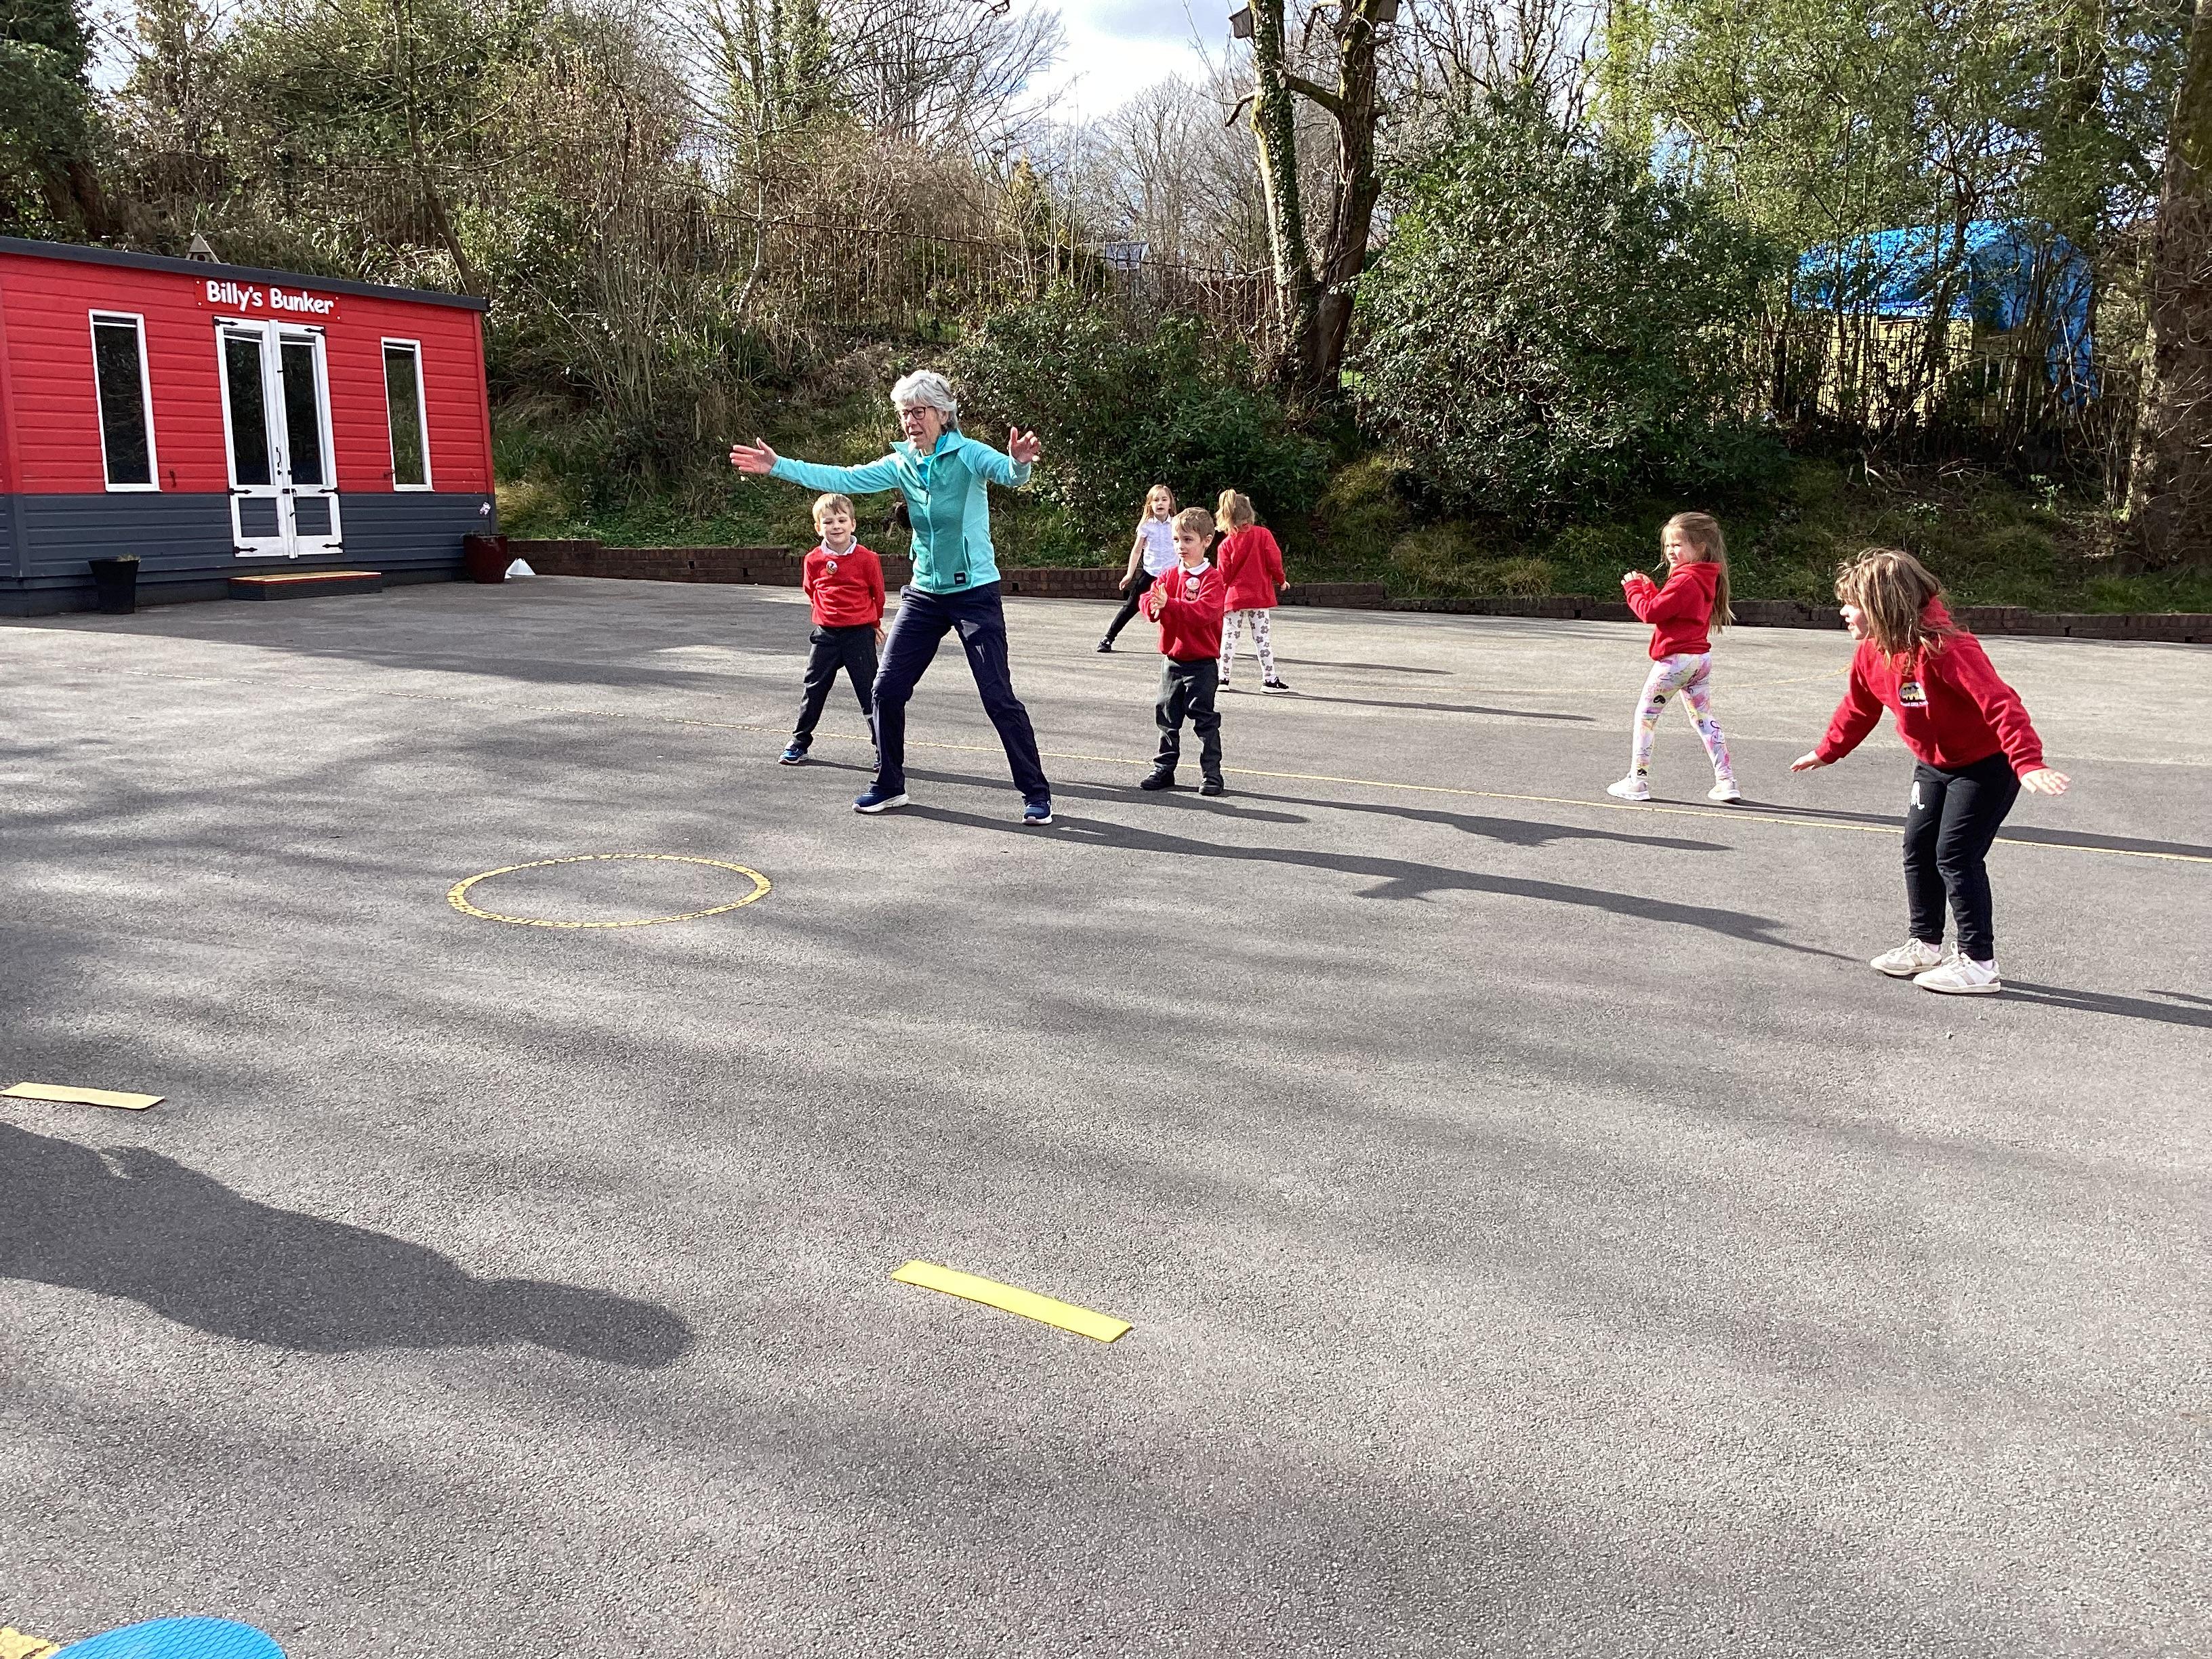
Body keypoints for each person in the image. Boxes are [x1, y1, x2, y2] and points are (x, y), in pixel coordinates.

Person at [730, 371, 1053, 824]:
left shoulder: (969, 455)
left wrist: (1018, 463)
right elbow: (843, 477)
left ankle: (1036, 794)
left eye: (919, 412)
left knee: (997, 695)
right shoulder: (902, 463)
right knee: (886, 690)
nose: (910, 421)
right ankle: (890, 784)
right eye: (904, 413)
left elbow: (1008, 473)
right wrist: (779, 465)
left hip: (974, 594)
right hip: (924, 595)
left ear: (942, 414)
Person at [1791, 548, 2069, 996]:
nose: (1843, 611)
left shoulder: (1949, 649)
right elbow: (1859, 708)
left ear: (1883, 606)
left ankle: (1979, 964)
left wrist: (2027, 761)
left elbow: (2001, 704)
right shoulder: (1871, 653)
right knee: (1918, 848)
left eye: (1852, 604)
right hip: (1933, 765)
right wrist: (1828, 751)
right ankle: (1925, 944)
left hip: (1986, 766)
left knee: (1956, 856)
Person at [1608, 510, 1740, 803]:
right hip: (1699, 661)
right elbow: (1668, 610)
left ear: (1700, 548)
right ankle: (1726, 781)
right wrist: (1649, 589)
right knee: (1703, 719)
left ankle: (1637, 782)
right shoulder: (1703, 577)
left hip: (1676, 662)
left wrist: (1633, 590)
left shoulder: (1684, 580)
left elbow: (1650, 612)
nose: (1671, 551)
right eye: (1668, 545)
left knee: (1646, 717)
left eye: (1678, 545)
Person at [781, 493, 885, 766]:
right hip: (826, 635)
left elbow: (878, 595)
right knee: (814, 688)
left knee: (869, 692)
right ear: (819, 528)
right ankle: (799, 743)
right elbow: (811, 591)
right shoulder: (813, 559)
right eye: (828, 522)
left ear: (853, 524)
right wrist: (825, 615)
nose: (835, 526)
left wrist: (874, 624)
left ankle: (883, 748)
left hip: (859, 634)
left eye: (841, 520)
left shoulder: (868, 559)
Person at [1139, 506, 1227, 796]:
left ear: (1207, 541)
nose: (1181, 546)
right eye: (1176, 540)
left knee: (1205, 720)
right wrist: (1153, 607)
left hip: (1202, 664)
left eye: (1188, 540)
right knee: (1166, 717)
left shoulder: (1213, 579)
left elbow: (1203, 612)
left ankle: (1212, 774)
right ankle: (1164, 769)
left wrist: (1170, 605)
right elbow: (1148, 599)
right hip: (1173, 661)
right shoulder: (1168, 576)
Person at [1214, 490, 1290, 693]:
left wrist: (1219, 595)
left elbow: (1223, 575)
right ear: (1250, 514)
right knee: (1262, 639)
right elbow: (1274, 561)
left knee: (1229, 638)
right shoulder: (1263, 535)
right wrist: (1281, 580)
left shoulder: (1225, 545)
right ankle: (1269, 680)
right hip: (1259, 597)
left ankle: (1223, 678)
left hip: (1234, 598)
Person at [1098, 485, 1179, 653]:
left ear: (1170, 503)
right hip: (1151, 574)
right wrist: (1129, 574)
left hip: (1173, 576)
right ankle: (1108, 638)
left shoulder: (1177, 524)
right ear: (1150, 504)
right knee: (1131, 606)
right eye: (1156, 500)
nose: (1160, 503)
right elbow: (1136, 551)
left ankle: (1184, 644)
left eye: (1164, 499)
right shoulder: (1147, 525)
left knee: (1179, 609)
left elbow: (1185, 548)